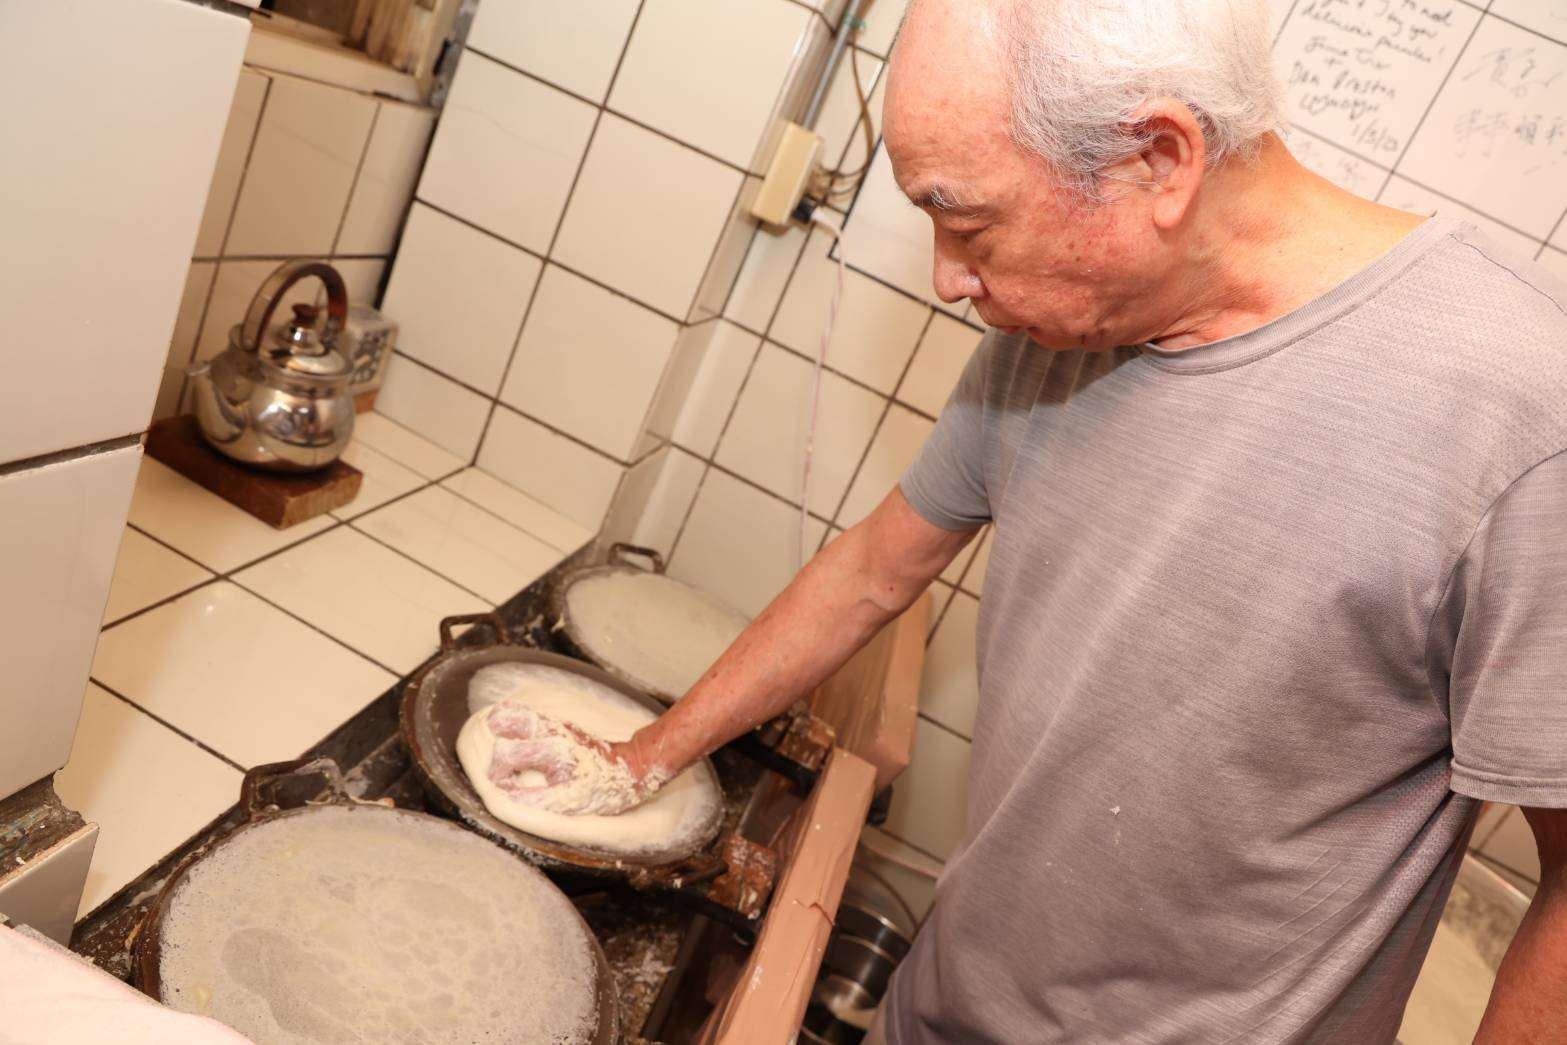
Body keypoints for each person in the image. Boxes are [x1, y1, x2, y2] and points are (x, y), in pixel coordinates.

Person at [505, 0, 1567, 1040]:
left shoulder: (1519, 415)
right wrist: (639, 757)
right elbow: (871, 571)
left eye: (965, 224)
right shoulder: (1062, 333)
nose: (945, 278)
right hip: (947, 998)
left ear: (1158, 160)